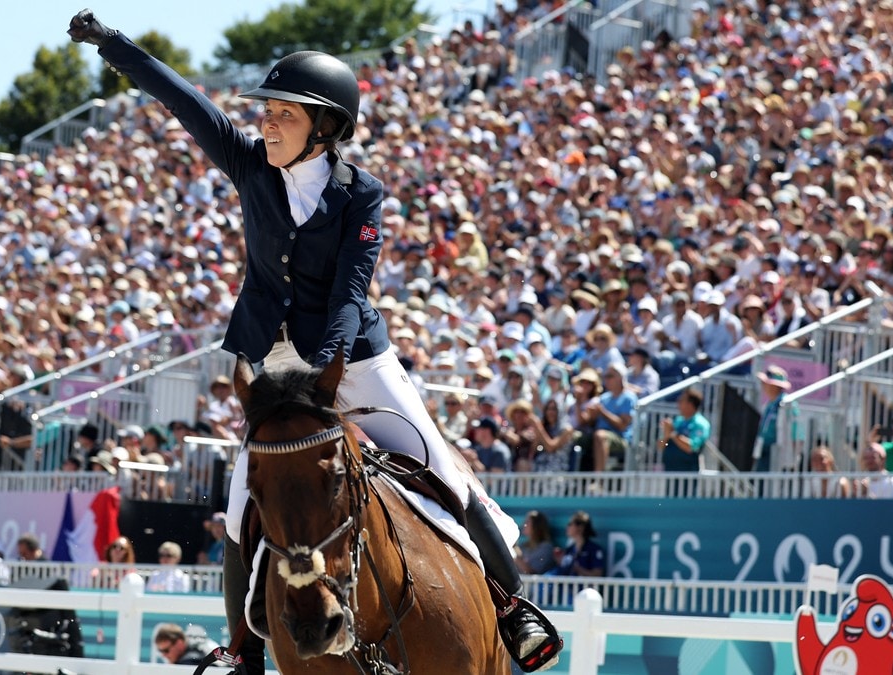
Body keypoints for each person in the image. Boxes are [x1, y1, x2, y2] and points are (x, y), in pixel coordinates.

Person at [67, 10, 561, 672]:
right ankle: (243, 650)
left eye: (284, 115)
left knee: (445, 475)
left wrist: (323, 366)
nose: (267, 123)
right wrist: (115, 47)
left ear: (325, 128)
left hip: (353, 362)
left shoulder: (362, 196)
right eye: (267, 112)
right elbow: (186, 103)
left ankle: (510, 608)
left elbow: (350, 295)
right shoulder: (251, 166)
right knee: (244, 501)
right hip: (271, 369)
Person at [660, 389, 710, 473]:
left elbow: (691, 447)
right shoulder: (678, 421)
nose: (678, 403)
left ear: (690, 404)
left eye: (681, 401)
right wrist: (666, 436)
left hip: (688, 474)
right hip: (670, 472)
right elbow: (661, 445)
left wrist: (673, 433)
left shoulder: (700, 424)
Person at [753, 365, 792, 472]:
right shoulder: (768, 404)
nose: (763, 385)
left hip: (778, 453)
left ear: (774, 386)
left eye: (765, 383)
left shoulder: (787, 404)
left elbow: (793, 433)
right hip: (764, 450)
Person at [551, 511, 606, 577]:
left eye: (570, 524)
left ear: (581, 527)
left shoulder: (594, 550)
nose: (567, 527)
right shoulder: (570, 549)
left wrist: (578, 569)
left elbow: (597, 575)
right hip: (569, 587)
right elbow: (564, 573)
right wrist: (560, 561)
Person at [153, 622, 219, 665]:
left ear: (179, 643)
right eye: (160, 651)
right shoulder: (199, 648)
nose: (163, 655)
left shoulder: (190, 661)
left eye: (166, 650)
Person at [515, 511, 557, 576]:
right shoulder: (523, 546)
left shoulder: (546, 548)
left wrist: (514, 555)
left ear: (536, 526)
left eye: (527, 522)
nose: (524, 525)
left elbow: (532, 573)